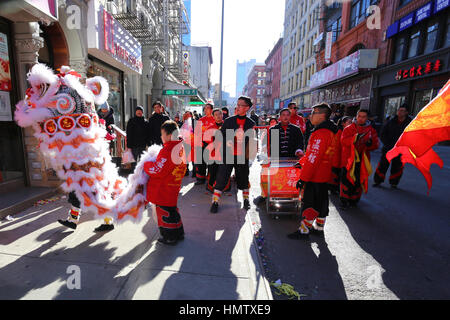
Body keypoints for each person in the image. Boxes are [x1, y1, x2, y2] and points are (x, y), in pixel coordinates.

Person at [287, 103, 337, 240]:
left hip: (315, 175)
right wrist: (301, 162)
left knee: (310, 202)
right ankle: (319, 228)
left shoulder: (320, 133)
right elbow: (312, 155)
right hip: (324, 174)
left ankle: (304, 231)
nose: (311, 115)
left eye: (314, 112)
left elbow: (313, 158)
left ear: (322, 115)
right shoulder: (330, 130)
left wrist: (303, 178)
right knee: (321, 201)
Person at [144, 120, 187, 245]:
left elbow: (157, 170)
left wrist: (146, 164)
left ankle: (169, 237)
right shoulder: (180, 148)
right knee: (173, 210)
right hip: (173, 185)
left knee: (164, 212)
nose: (161, 137)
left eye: (162, 134)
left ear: (168, 135)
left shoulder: (167, 150)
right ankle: (178, 233)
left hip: (163, 188)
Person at [210, 96, 256, 213]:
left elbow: (252, 141)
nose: (238, 107)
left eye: (241, 105)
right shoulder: (229, 121)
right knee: (221, 178)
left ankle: (246, 200)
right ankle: (215, 202)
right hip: (228, 154)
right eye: (238, 104)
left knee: (244, 178)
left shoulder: (251, 123)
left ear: (247, 108)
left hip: (242, 156)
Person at [255, 108, 305, 205]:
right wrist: (265, 148)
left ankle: (296, 195)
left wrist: (299, 150)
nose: (285, 117)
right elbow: (266, 143)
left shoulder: (296, 129)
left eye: (287, 115)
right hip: (276, 159)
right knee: (265, 174)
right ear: (280, 117)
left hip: (292, 159)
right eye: (283, 115)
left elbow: (300, 142)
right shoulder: (273, 129)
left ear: (290, 117)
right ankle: (265, 194)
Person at [340, 109, 379, 209]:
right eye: (359, 116)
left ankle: (354, 200)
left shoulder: (371, 130)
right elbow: (343, 141)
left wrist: (370, 145)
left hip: (362, 161)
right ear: (356, 117)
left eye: (364, 116)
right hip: (348, 160)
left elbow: (375, 145)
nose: (361, 119)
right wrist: (355, 139)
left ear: (367, 118)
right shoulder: (348, 128)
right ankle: (344, 201)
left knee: (358, 181)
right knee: (346, 181)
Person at [373, 104, 412, 188]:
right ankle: (378, 181)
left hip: (401, 149)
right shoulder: (391, 121)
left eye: (402, 111)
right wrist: (388, 144)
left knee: (397, 167)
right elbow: (383, 133)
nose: (399, 112)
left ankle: (394, 183)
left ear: (406, 112)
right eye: (399, 110)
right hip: (388, 148)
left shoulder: (410, 123)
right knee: (383, 165)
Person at [204, 108, 230, 193]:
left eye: (220, 114)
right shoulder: (210, 128)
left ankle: (225, 187)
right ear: (213, 117)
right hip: (213, 154)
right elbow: (207, 140)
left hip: (225, 153)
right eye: (216, 115)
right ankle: (211, 186)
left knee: (225, 172)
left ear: (222, 115)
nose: (218, 116)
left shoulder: (227, 126)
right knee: (213, 171)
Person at [328, 116, 352, 194]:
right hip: (337, 156)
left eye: (351, 122)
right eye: (349, 122)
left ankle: (337, 188)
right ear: (343, 123)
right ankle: (333, 189)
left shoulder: (348, 132)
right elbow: (335, 146)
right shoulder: (339, 132)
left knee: (340, 174)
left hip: (344, 157)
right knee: (335, 173)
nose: (350, 124)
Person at [194, 103, 216, 185]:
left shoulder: (215, 119)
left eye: (208, 108)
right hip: (201, 143)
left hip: (212, 143)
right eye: (205, 108)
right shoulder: (201, 120)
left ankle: (210, 179)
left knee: (211, 162)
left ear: (212, 110)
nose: (206, 110)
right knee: (200, 162)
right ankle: (200, 179)